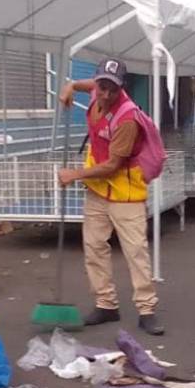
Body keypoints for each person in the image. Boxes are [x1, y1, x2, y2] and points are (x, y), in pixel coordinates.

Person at [57, 59, 164, 336]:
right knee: (93, 247)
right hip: (97, 191)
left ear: (121, 88)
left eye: (112, 89)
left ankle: (146, 309)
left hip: (124, 191)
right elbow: (88, 86)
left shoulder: (127, 119)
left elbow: (113, 165)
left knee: (135, 251)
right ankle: (106, 304)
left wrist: (74, 175)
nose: (104, 94)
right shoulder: (97, 90)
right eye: (102, 86)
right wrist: (70, 85)